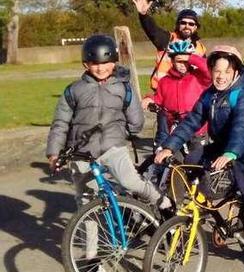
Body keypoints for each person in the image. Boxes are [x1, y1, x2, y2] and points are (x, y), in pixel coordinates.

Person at [155, 46, 244, 272]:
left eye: (226, 71)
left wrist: (231, 153)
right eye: (216, 70)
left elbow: (242, 127)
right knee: (187, 165)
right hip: (221, 147)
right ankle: (193, 215)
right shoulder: (209, 94)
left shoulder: (242, 94)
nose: (220, 76)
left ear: (235, 72)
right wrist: (169, 147)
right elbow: (191, 122)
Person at [47, 35, 168, 210]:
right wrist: (54, 153)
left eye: (105, 63)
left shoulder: (124, 88)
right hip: (81, 152)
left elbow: (136, 121)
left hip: (113, 148)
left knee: (130, 181)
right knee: (86, 200)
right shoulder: (74, 90)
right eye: (95, 63)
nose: (100, 68)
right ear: (85, 64)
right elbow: (60, 123)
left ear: (114, 63)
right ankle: (90, 238)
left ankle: (160, 200)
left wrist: (118, 135)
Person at [143, 39, 212, 165]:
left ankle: (202, 184)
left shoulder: (199, 77)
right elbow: (159, 99)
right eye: (178, 61)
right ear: (172, 61)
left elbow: (208, 69)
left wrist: (191, 58)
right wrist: (149, 99)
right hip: (174, 129)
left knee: (198, 165)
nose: (182, 65)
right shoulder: (165, 81)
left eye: (185, 62)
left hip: (197, 129)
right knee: (175, 164)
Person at [131, 0, 207, 91]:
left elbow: (206, 72)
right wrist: (143, 15)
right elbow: (152, 30)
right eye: (183, 23)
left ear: (196, 27)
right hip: (163, 92)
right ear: (178, 25)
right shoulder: (167, 39)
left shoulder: (200, 48)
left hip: (189, 94)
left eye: (191, 24)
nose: (187, 26)